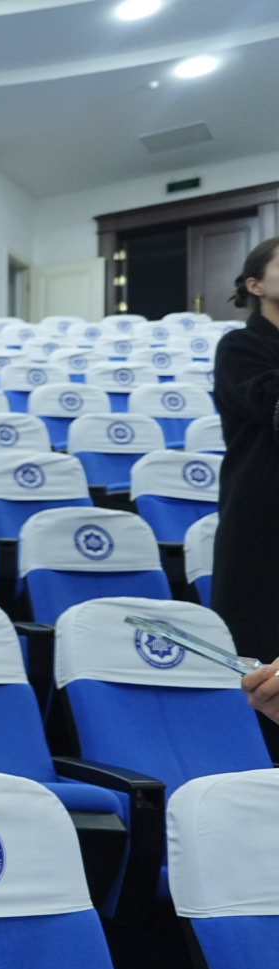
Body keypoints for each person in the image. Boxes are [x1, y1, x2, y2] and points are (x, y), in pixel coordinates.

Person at [212, 236, 279, 665]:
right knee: (261, 661)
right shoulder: (239, 347)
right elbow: (268, 400)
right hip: (263, 517)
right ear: (255, 285)